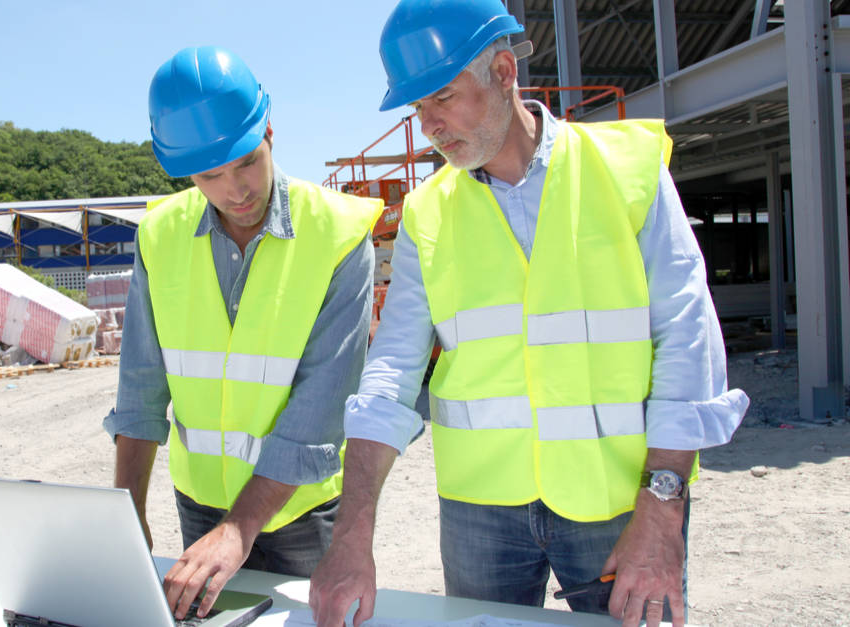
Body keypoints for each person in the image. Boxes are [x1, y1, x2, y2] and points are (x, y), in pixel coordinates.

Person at [308, 2, 750, 627]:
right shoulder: (427, 213)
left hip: (618, 500)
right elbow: (391, 374)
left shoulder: (627, 171)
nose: (429, 125)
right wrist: (351, 537)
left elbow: (687, 338)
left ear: (505, 69)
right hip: (479, 511)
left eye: (442, 97)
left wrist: (663, 508)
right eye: (417, 109)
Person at [103, 46, 382, 621]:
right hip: (200, 505)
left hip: (301, 514)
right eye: (211, 174)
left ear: (271, 133)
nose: (237, 190)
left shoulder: (339, 234)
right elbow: (141, 391)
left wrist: (239, 527)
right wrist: (126, 514)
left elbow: (320, 409)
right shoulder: (158, 236)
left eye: (248, 162)